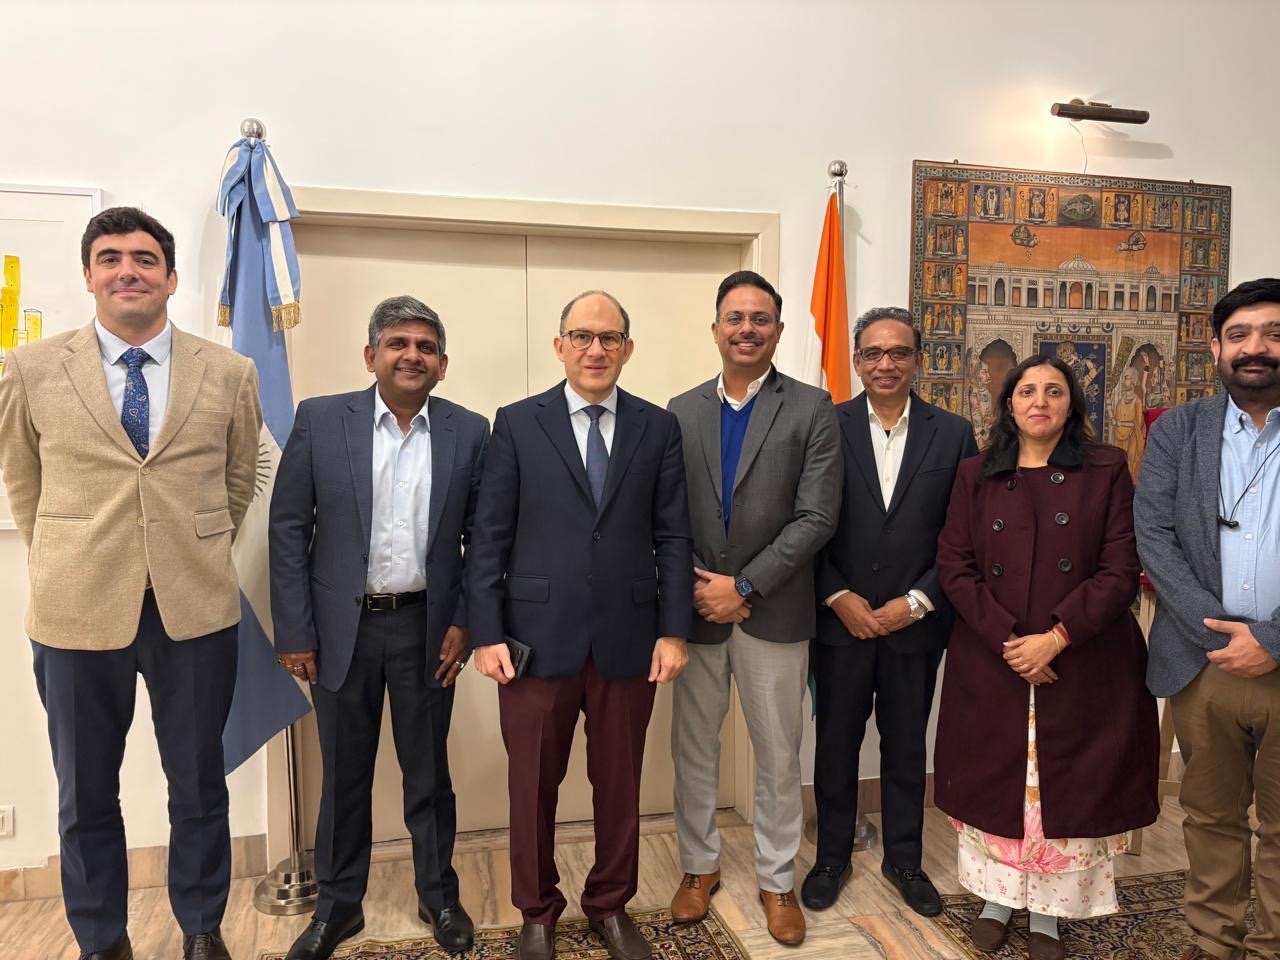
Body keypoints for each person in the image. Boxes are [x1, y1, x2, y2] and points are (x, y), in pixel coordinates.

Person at [0, 207, 263, 960]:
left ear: (170, 278)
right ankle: (101, 939)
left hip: (195, 608)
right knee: (85, 791)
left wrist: (185, 548)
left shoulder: (229, 372)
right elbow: (24, 484)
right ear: (88, 276)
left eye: (145, 259)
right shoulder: (30, 369)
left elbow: (236, 481)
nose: (128, 271)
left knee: (199, 783)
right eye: (110, 257)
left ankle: (202, 928)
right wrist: (74, 553)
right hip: (76, 612)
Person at [467, 290, 692, 960]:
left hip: (630, 639)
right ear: (560, 346)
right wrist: (486, 631)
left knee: (619, 785)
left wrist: (673, 630)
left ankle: (609, 904)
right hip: (533, 642)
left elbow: (673, 536)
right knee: (532, 785)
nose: (596, 349)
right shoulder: (517, 423)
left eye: (610, 337)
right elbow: (489, 536)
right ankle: (537, 912)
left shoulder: (658, 427)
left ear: (627, 348)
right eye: (582, 336)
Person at [269, 296, 488, 959]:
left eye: (426, 346)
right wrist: (294, 630)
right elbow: (288, 529)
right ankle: (338, 908)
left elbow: (483, 540)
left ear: (442, 364)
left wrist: (465, 620)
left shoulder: (469, 431)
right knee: (344, 778)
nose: (412, 355)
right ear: (371, 356)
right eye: (398, 343)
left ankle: (438, 896)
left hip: (428, 630)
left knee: (429, 775)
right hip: (343, 631)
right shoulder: (320, 419)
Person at [933, 355, 1159, 960]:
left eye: (1054, 391)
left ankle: (1051, 914)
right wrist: (1010, 640)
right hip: (994, 658)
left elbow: (1120, 567)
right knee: (998, 785)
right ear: (1009, 405)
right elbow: (954, 564)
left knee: (1065, 789)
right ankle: (997, 900)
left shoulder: (1105, 469)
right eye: (1028, 391)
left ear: (1071, 405)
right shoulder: (975, 473)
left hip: (1082, 659)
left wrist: (1056, 637)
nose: (1040, 401)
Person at [666, 271, 841, 947]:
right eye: (735, 318)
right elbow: (664, 514)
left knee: (778, 754)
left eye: (760, 318)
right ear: (716, 329)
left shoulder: (812, 407)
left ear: (778, 330)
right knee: (694, 748)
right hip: (695, 612)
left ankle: (776, 878)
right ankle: (698, 865)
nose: (747, 329)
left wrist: (741, 586)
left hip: (775, 610)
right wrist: (698, 586)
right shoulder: (679, 410)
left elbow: (817, 516)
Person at [804, 307, 977, 916]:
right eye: (873, 353)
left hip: (915, 626)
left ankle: (905, 860)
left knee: (906, 747)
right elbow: (804, 525)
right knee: (836, 746)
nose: (886, 363)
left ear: (917, 361)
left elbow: (962, 533)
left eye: (899, 352)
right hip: (839, 623)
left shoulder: (952, 434)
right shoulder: (825, 425)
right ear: (856, 360)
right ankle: (831, 857)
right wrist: (837, 596)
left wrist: (918, 601)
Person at [1135, 278, 1280, 960]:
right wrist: (1219, 631)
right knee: (1212, 817)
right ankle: (1213, 941)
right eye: (1240, 335)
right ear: (1215, 348)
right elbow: (1153, 535)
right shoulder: (1179, 430)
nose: (1257, 347)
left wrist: (1271, 639)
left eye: (1274, 333)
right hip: (1204, 660)